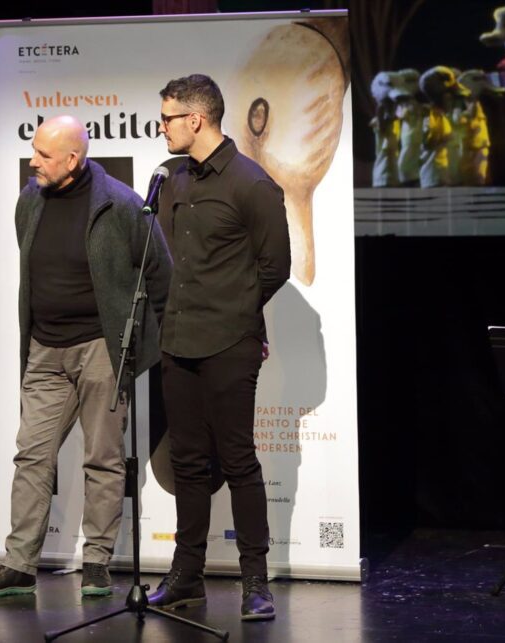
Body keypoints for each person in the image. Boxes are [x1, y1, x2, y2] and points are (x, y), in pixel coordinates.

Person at [0, 115, 172, 598]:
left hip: (102, 348)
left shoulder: (120, 204)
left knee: (103, 458)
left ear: (73, 160)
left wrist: (137, 341)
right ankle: (19, 565)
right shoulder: (30, 199)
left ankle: (98, 561)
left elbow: (158, 273)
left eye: (42, 154)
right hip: (44, 348)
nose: (33, 161)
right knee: (32, 455)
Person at [149, 74, 290, 621]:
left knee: (236, 459)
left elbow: (275, 265)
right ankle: (188, 575)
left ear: (196, 119)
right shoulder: (170, 180)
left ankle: (256, 580)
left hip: (229, 341)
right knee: (186, 460)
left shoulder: (252, 184)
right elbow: (163, 261)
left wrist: (236, 317)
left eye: (166, 117)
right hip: (178, 340)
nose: (161, 126)